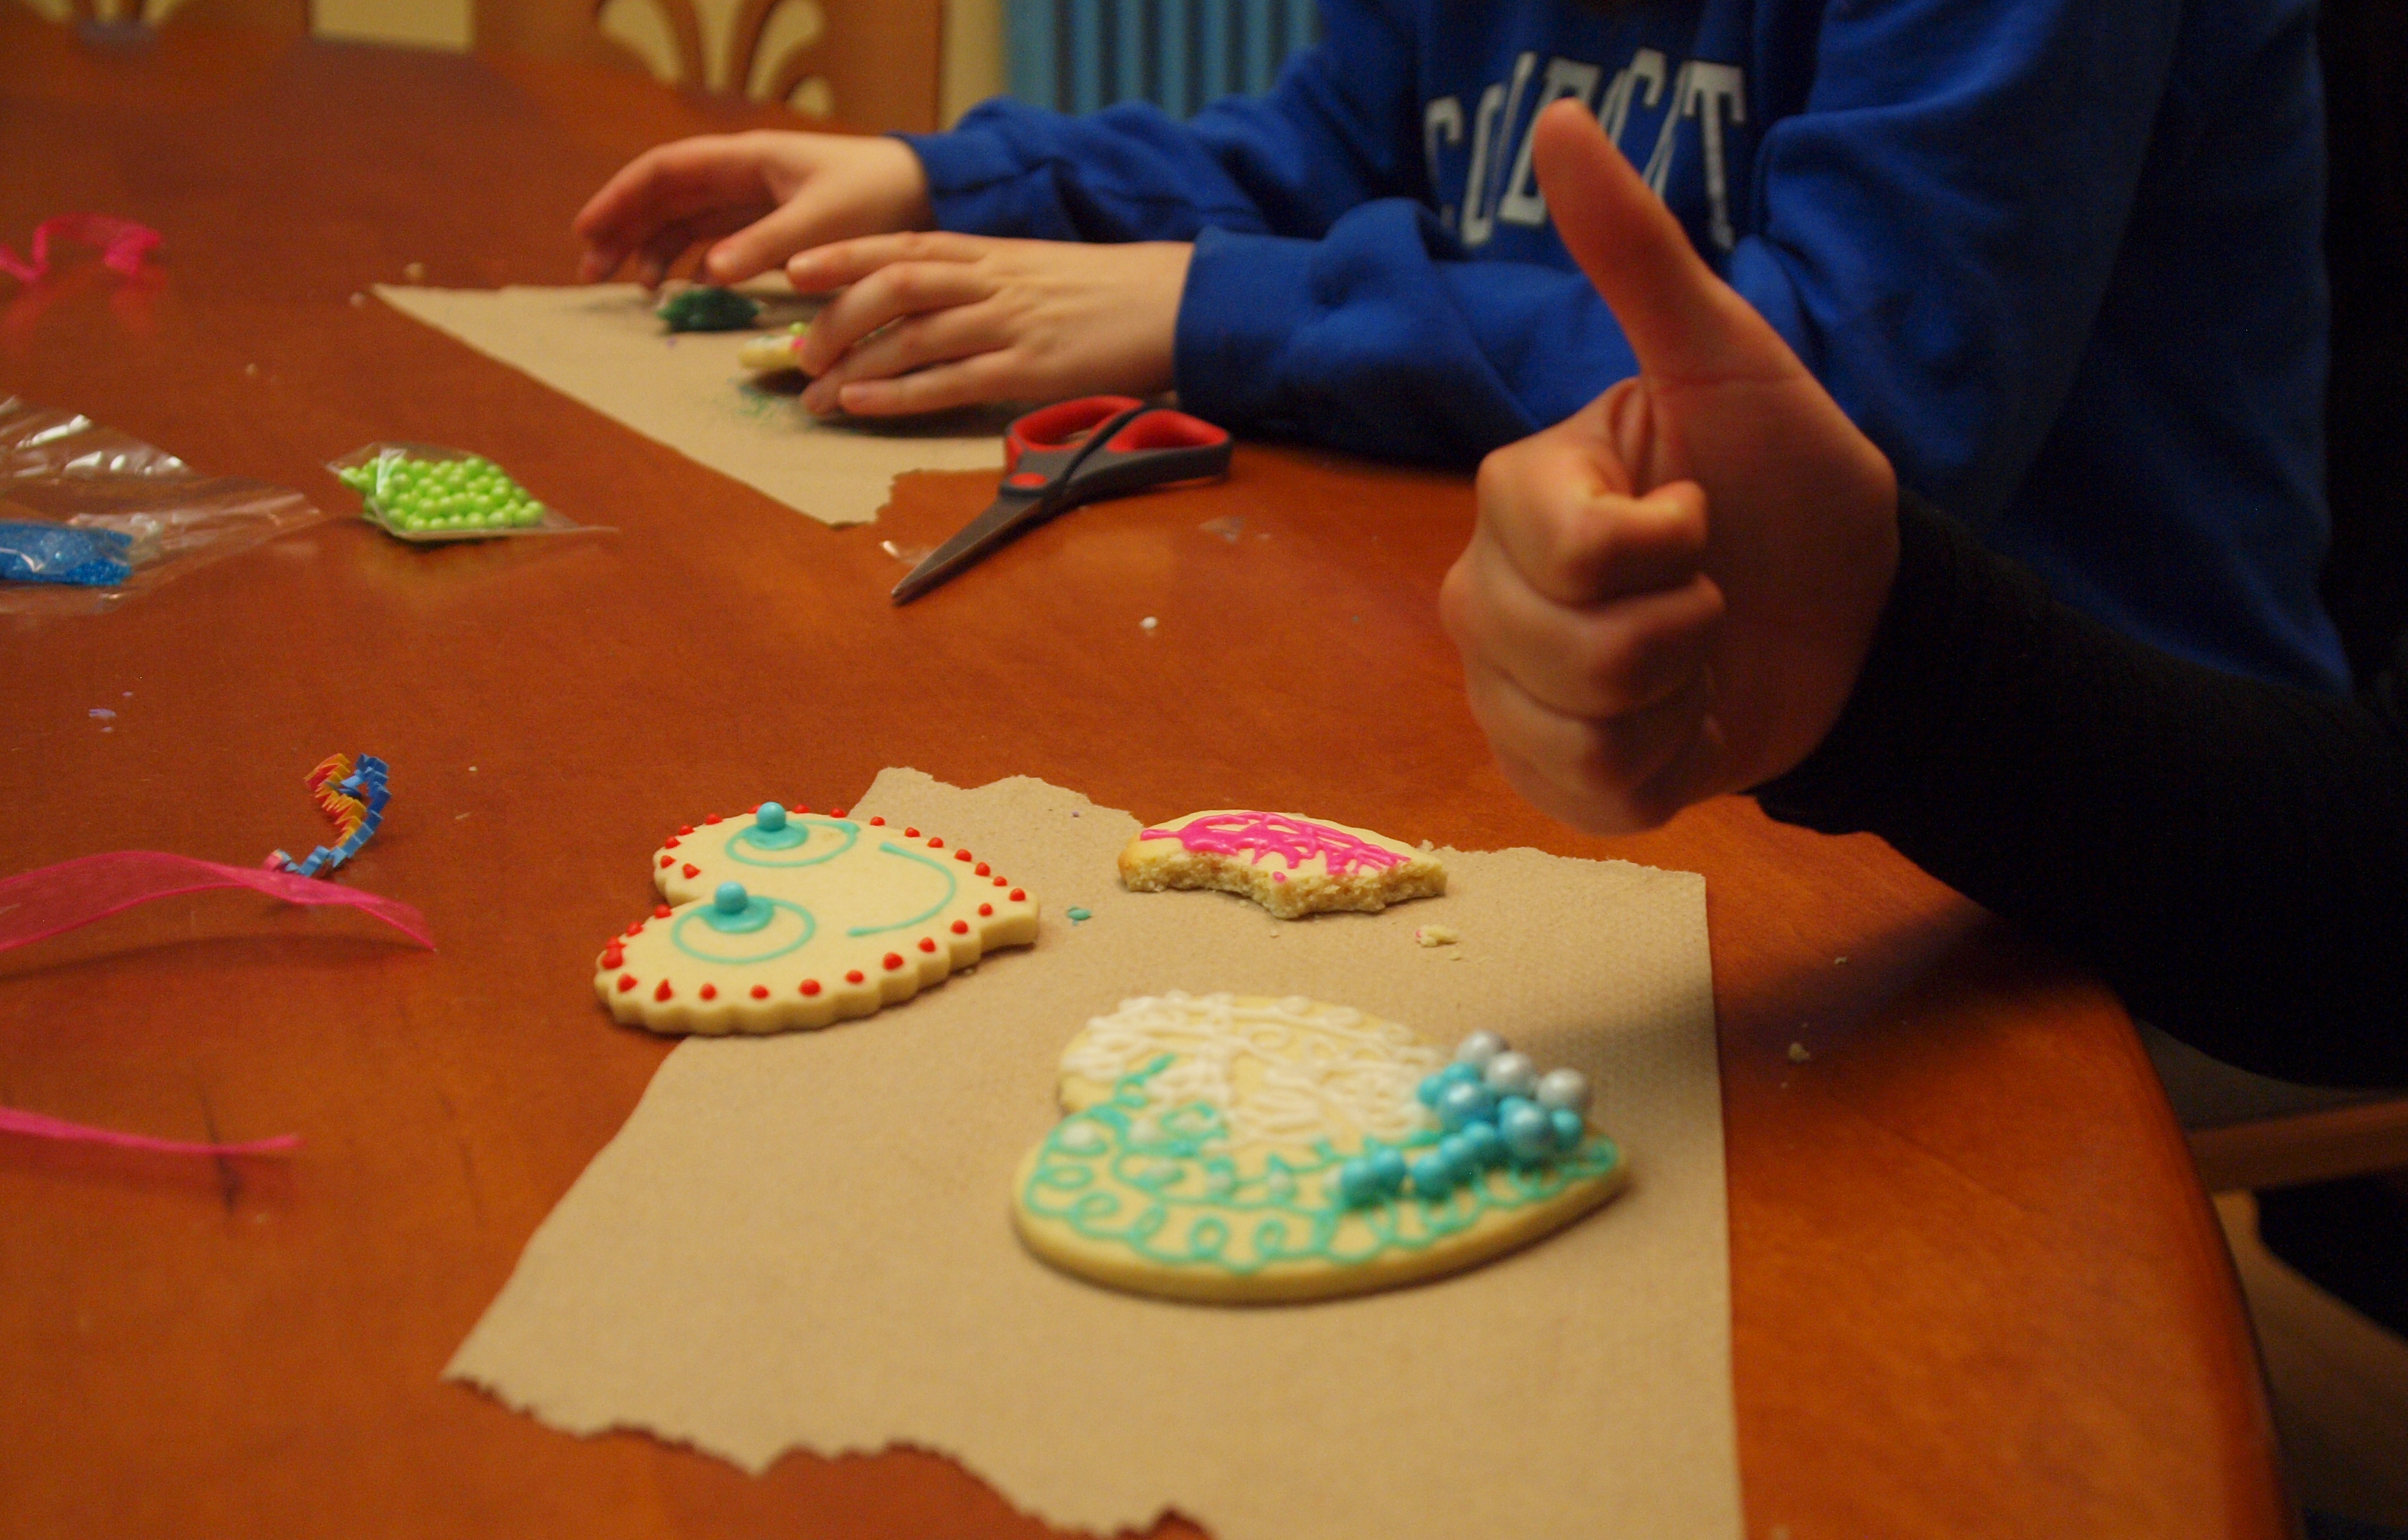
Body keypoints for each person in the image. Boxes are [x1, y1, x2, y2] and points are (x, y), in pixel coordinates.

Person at [573, 0, 2348, 694]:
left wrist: (1209, 307)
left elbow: (1846, 417)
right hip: (1648, 679)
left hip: (2094, 781)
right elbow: (1308, 153)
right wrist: (943, 174)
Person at [1439, 100, 2408, 1090]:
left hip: (2143, 921)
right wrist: (1882, 663)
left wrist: (1893, 674)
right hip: (2059, 823)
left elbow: (1865, 375)